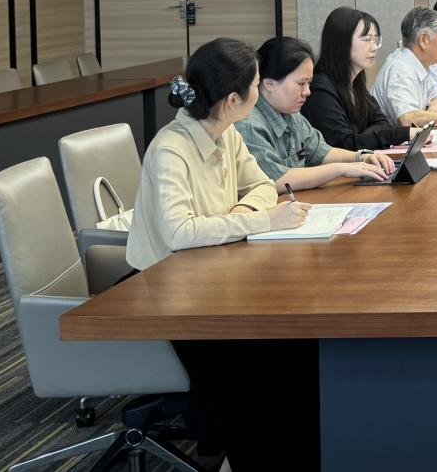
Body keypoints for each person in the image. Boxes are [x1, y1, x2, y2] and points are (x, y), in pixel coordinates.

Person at [125, 38, 317, 472]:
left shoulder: (225, 133)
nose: (259, 92)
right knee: (269, 361)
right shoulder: (172, 148)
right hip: (165, 289)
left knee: (298, 346)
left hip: (211, 273)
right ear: (234, 99)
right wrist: (259, 221)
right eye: (255, 84)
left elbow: (263, 184)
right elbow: (179, 233)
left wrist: (244, 213)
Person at [236, 36, 396, 190]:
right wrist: (342, 169)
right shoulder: (248, 124)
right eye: (301, 83)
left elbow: (321, 152)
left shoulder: (290, 113)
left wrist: (361, 157)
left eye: (309, 83)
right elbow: (276, 180)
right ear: (269, 84)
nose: (307, 91)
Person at [303, 6, 412, 151]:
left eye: (375, 40)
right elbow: (344, 145)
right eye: (367, 39)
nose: (374, 47)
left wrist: (360, 138)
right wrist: (397, 134)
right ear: (341, 42)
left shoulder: (355, 83)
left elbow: (383, 123)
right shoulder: (320, 90)